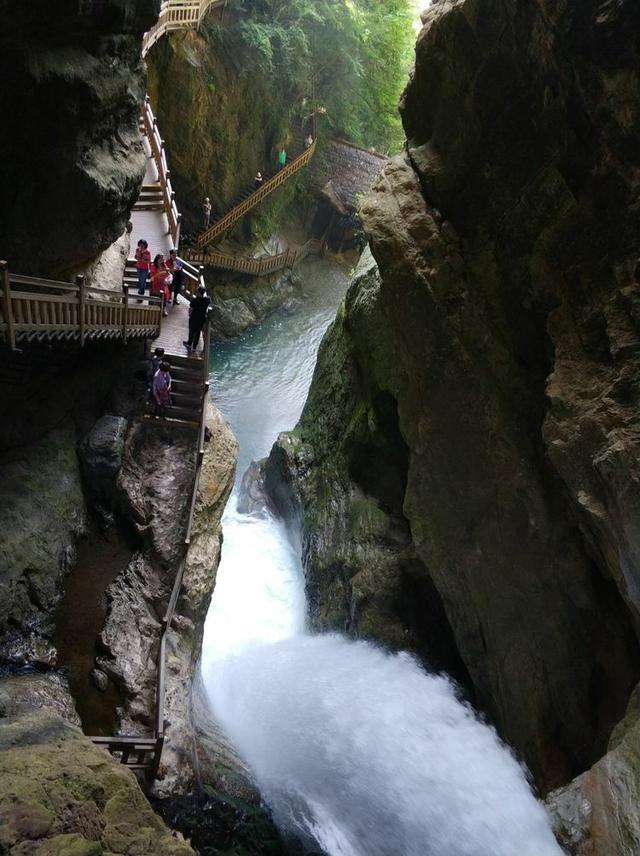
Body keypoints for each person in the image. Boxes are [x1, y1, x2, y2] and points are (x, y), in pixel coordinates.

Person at [183, 285, 210, 355]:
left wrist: (189, 314)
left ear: (198, 292)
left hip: (194, 317)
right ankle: (194, 347)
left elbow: (191, 309)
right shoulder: (207, 300)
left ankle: (189, 344)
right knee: (198, 332)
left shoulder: (195, 300)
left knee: (192, 331)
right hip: (202, 318)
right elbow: (208, 299)